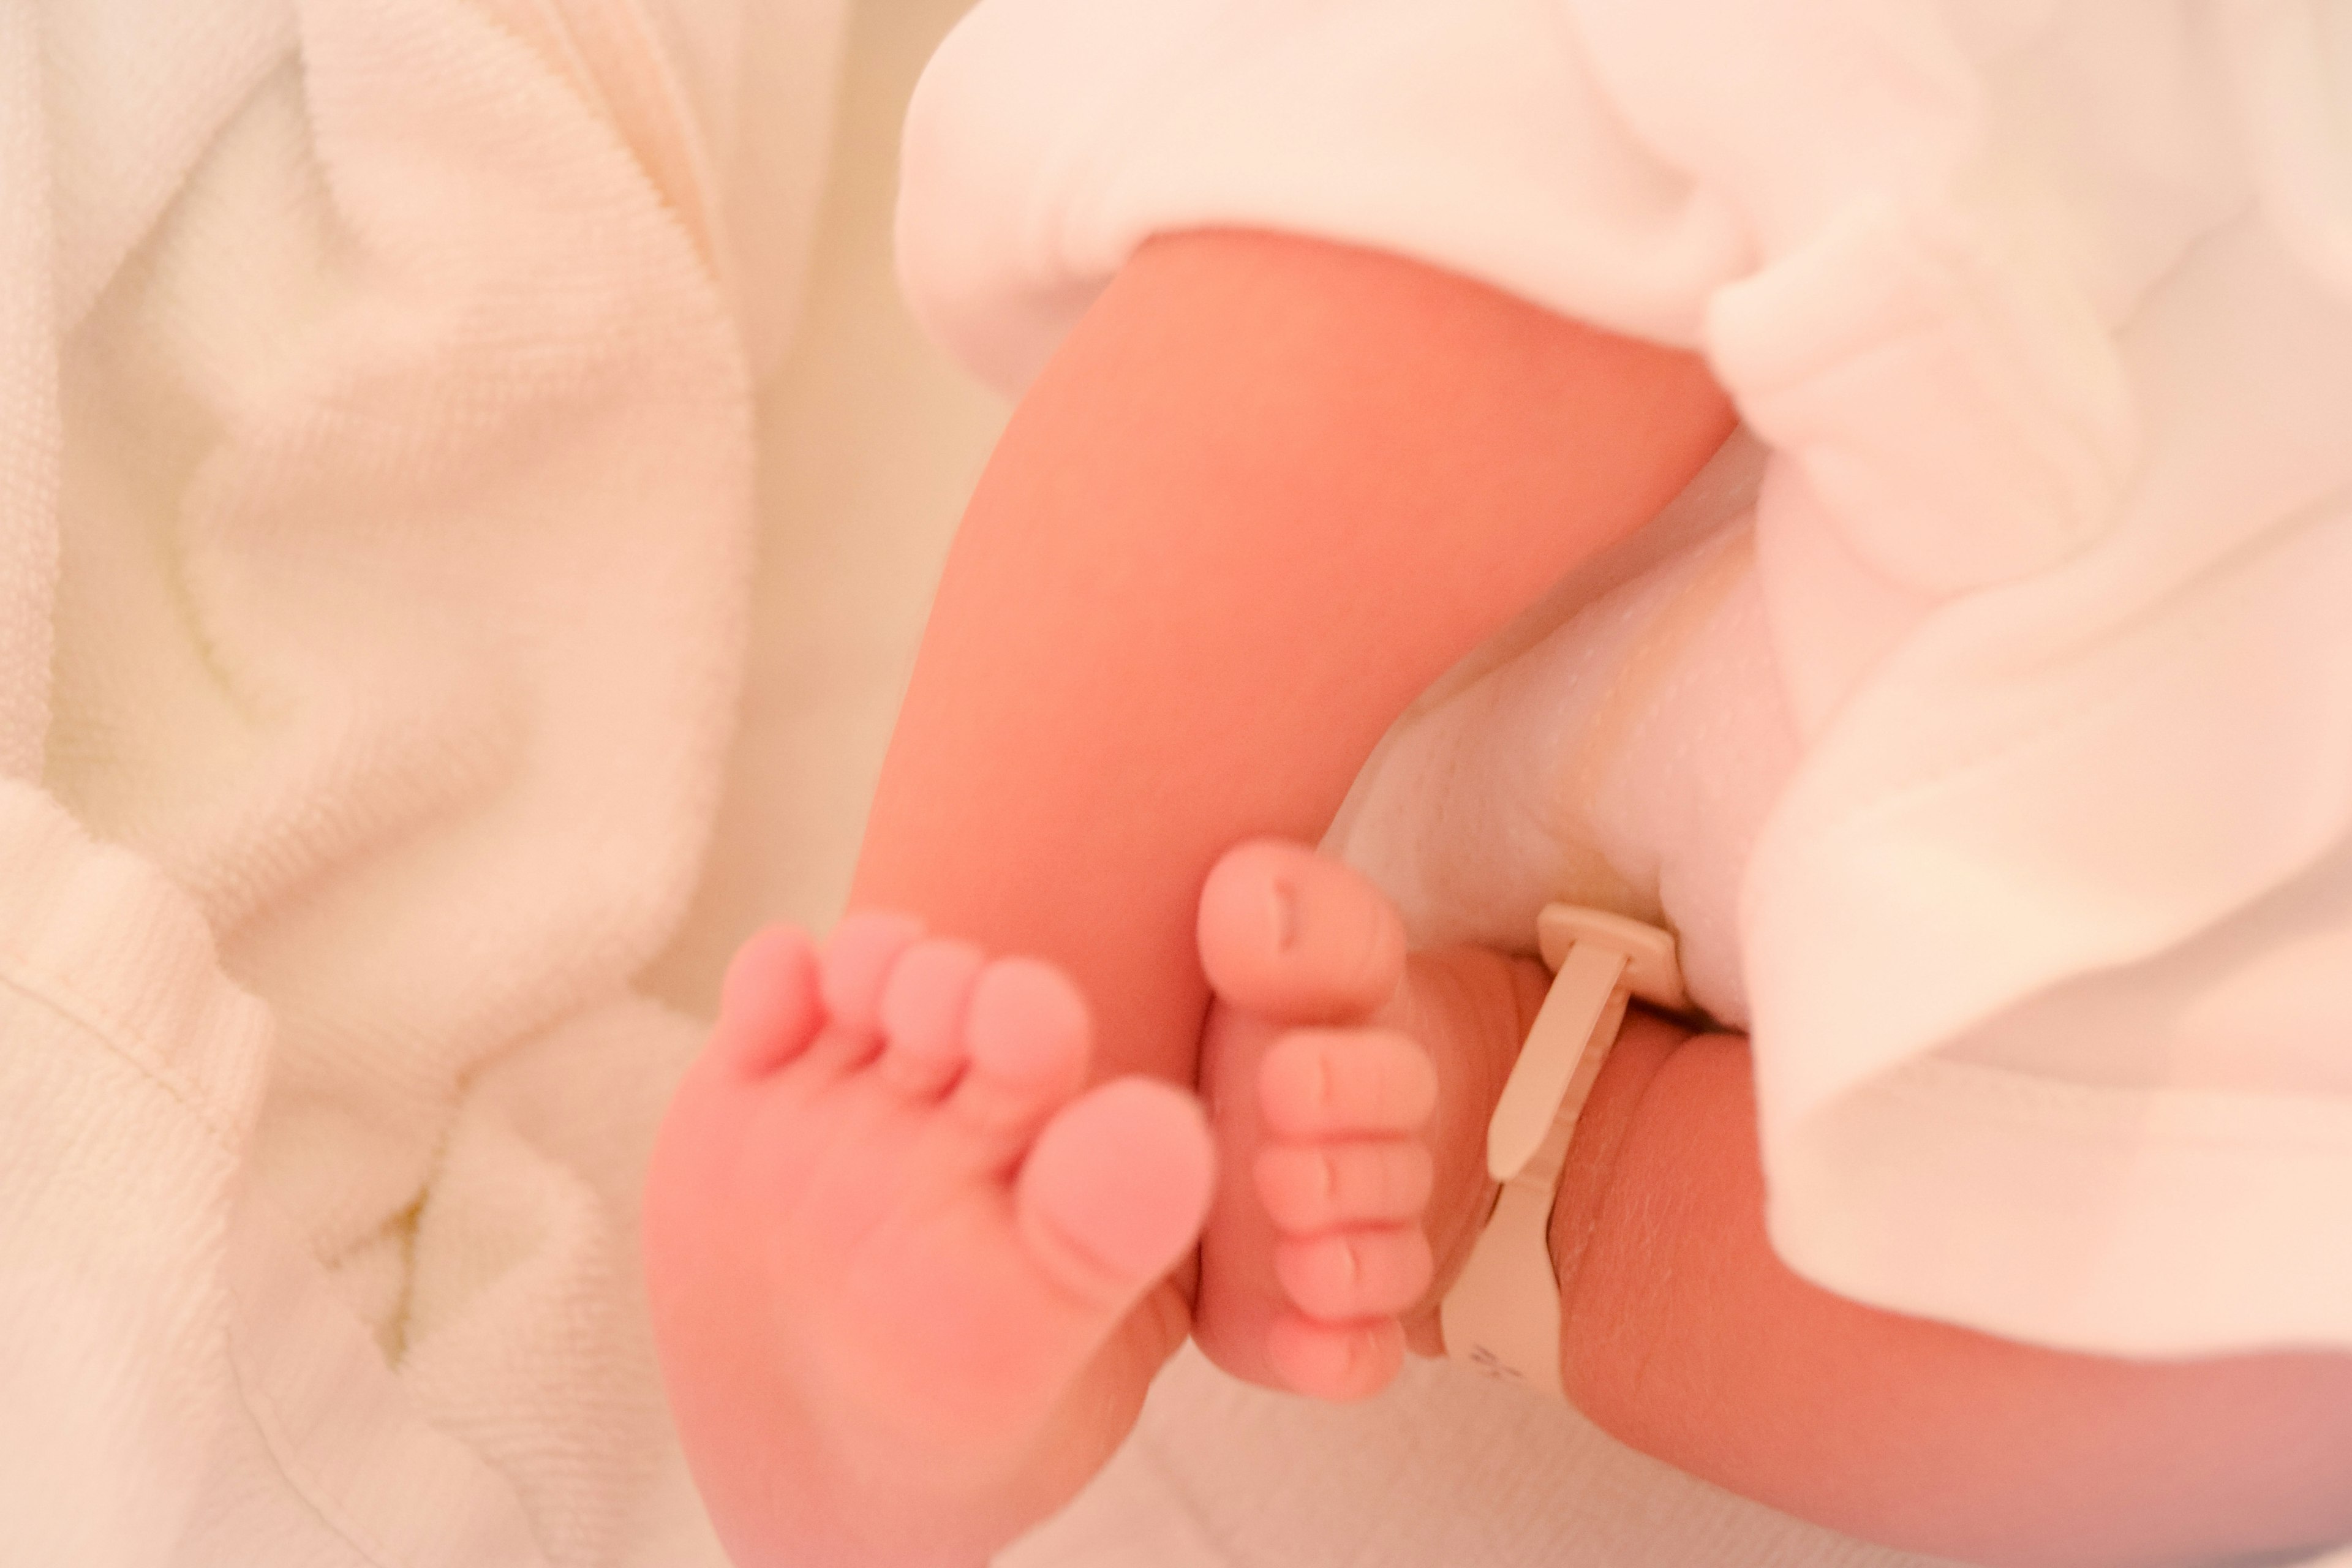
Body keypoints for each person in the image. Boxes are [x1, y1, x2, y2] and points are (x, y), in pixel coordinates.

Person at [642, 4, 2352, 1566]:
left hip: (2141, 908)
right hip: (1955, 254)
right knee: (1571, 147)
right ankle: (998, 1072)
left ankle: (1540, 1176)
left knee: (2298, 1381)